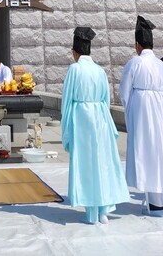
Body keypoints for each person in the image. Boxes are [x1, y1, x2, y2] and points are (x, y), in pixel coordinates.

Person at [120, 16, 163, 217]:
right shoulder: (162, 66)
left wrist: (131, 115)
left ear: (137, 45)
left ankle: (156, 204)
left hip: (144, 112)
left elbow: (124, 94)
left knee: (149, 153)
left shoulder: (134, 63)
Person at [61, 27, 130, 225]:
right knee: (101, 161)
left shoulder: (74, 69)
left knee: (86, 163)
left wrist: (66, 129)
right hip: (99, 117)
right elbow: (105, 99)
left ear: (75, 52)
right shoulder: (100, 71)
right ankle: (103, 210)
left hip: (81, 117)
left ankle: (91, 211)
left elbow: (67, 100)